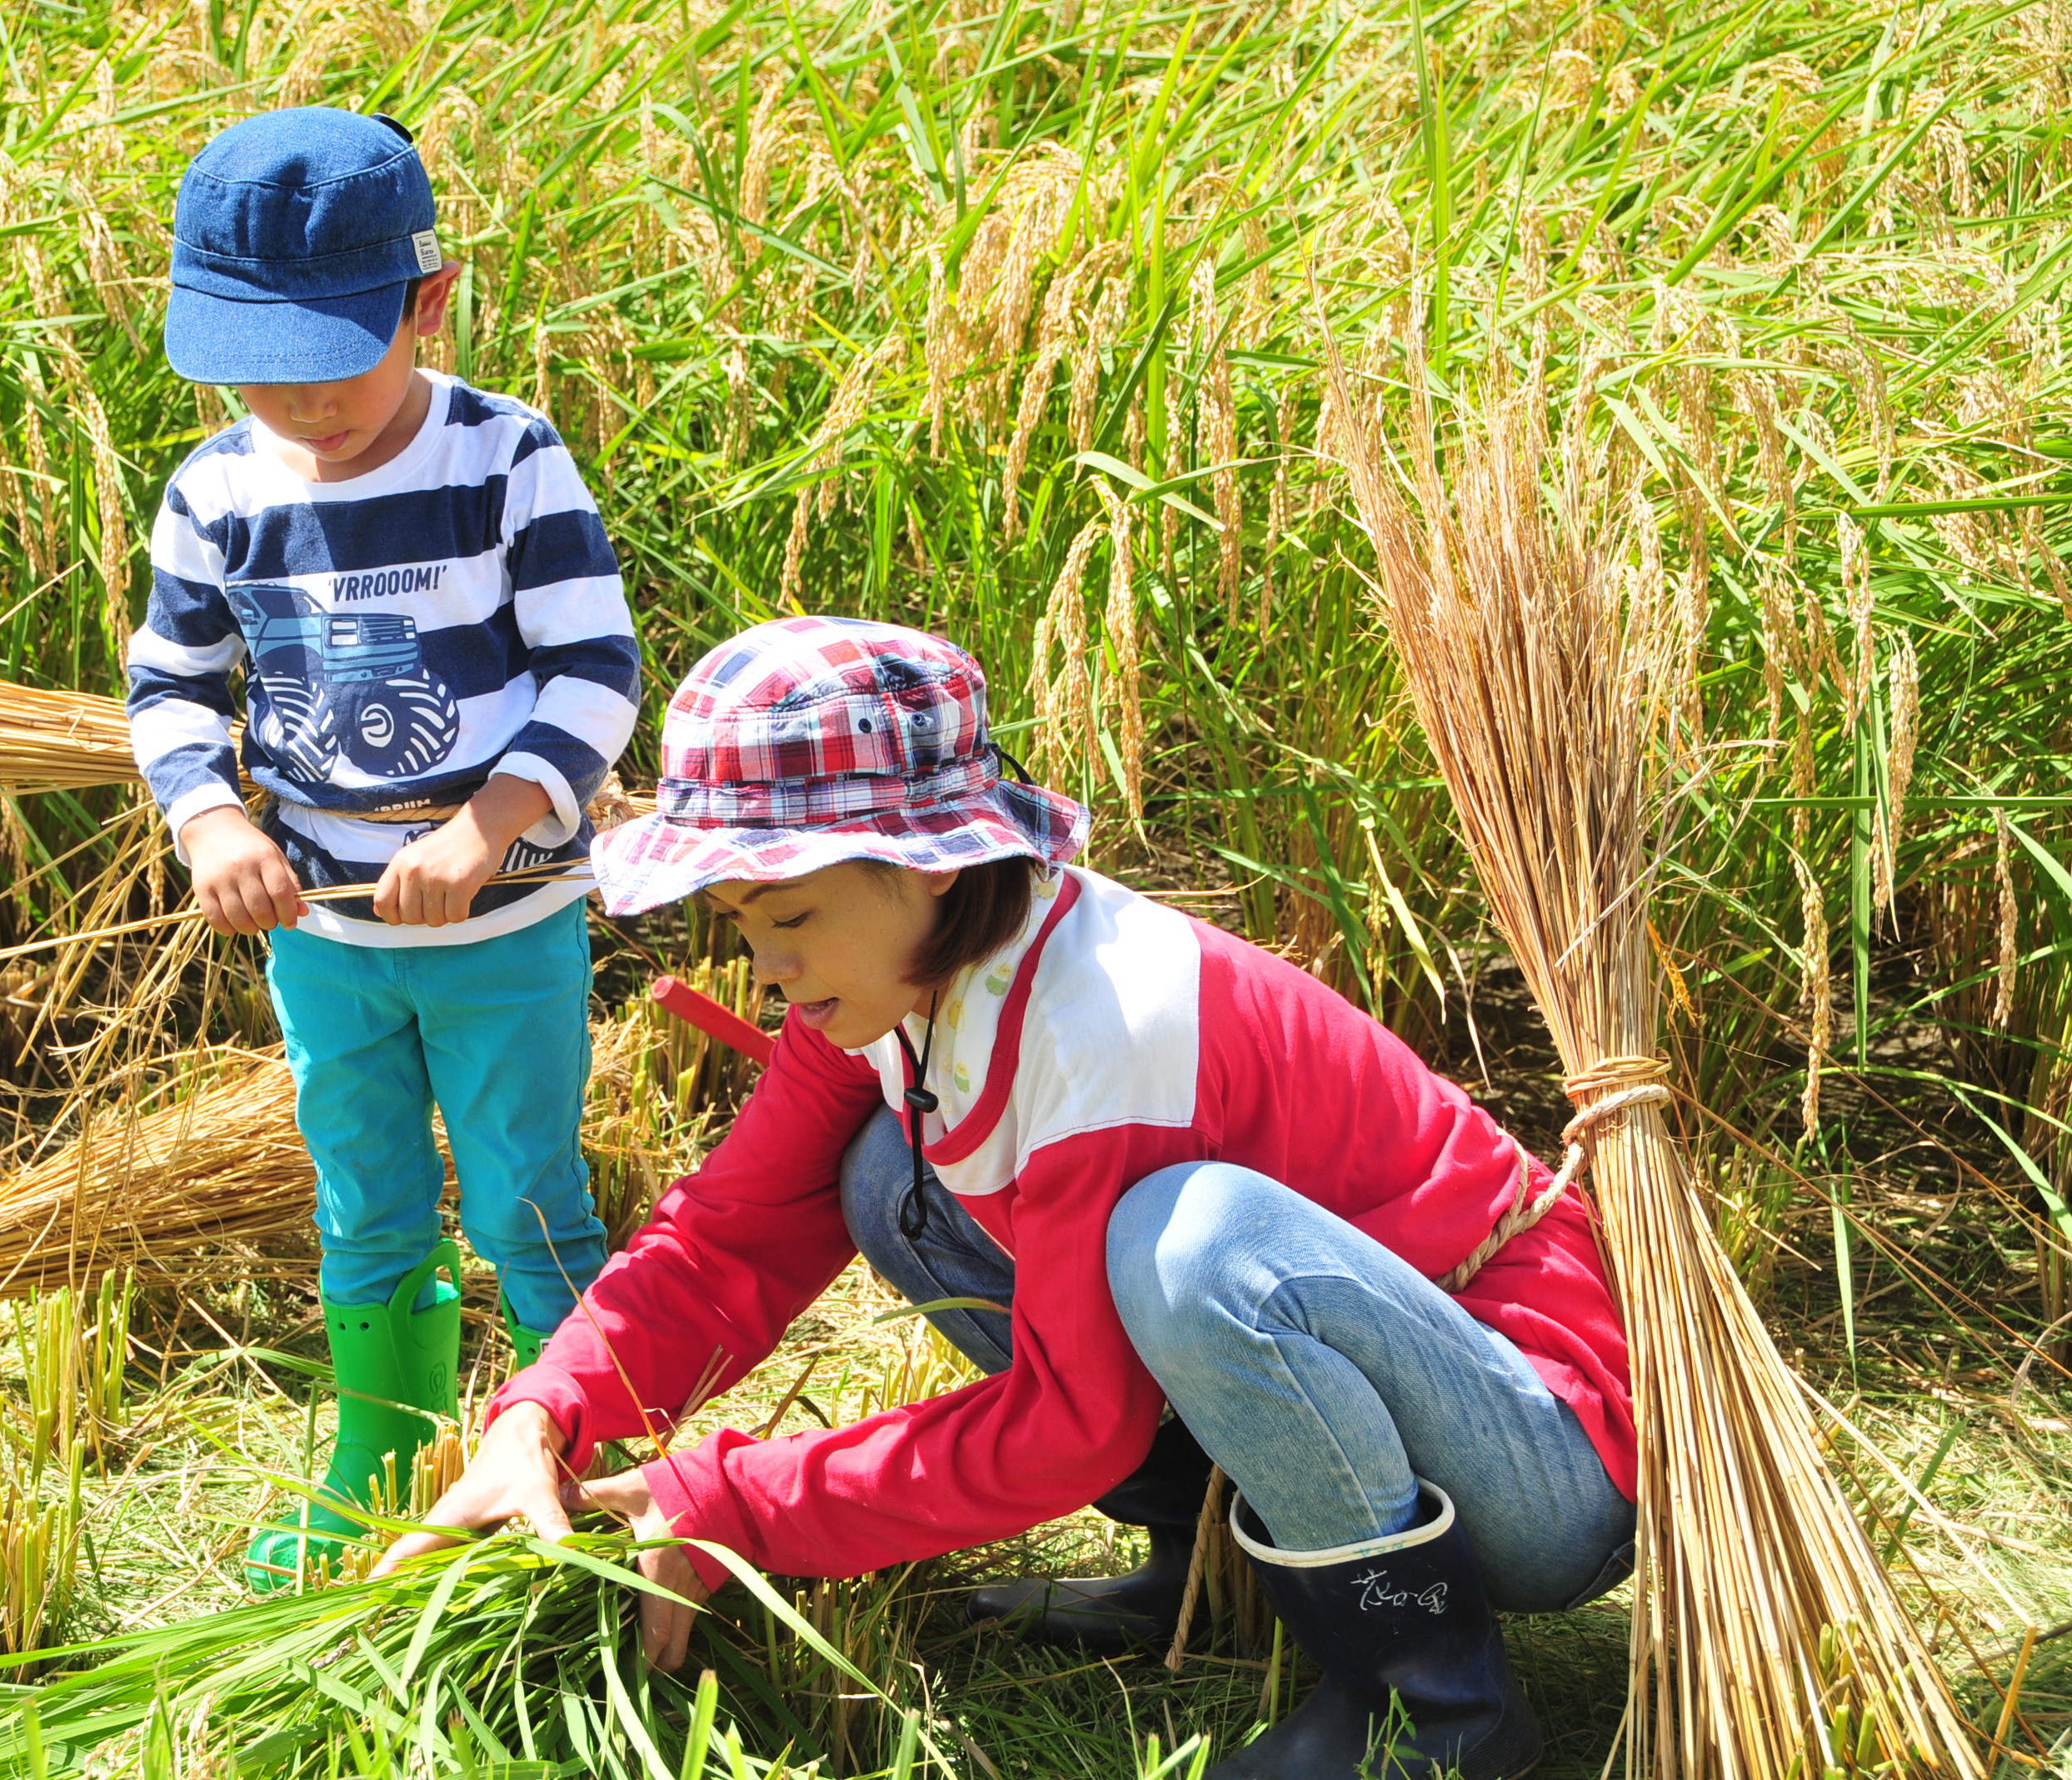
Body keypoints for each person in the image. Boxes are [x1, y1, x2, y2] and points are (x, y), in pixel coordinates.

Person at [382, 618, 1636, 1780]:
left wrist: (736, 1502)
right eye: (740, 923)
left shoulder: (1111, 1026)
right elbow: (733, 1229)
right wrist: (547, 1414)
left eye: (793, 917)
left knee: (1186, 1245)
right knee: (887, 1175)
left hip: (1537, 1458)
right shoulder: (895, 991)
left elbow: (1072, 1422)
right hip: (1371, 1413)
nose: (768, 968)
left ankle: (1428, 1707)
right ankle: (1205, 1567)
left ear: (926, 870)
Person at [126, 108, 642, 1586]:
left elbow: (595, 670)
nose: (296, 405)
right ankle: (383, 1448)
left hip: (503, 929)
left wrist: (489, 823)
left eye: (331, 363)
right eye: (254, 370)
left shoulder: (503, 459)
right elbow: (171, 684)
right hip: (328, 941)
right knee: (362, 1195)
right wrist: (211, 814)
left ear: (429, 302)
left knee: (527, 1193)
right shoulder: (217, 492)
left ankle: (577, 1443)